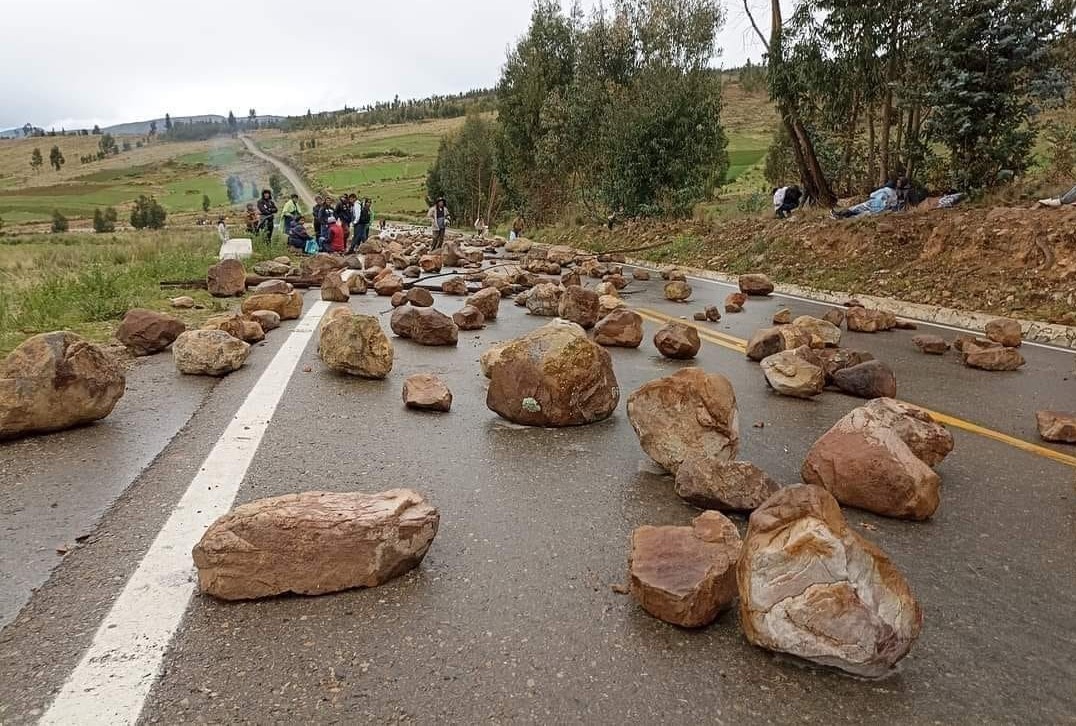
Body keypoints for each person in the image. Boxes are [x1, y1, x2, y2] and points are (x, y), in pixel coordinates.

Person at [831, 180, 898, 219]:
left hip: (871, 204)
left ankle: (838, 214)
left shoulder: (884, 189)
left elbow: (872, 195)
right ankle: (843, 218)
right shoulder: (895, 194)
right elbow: (894, 204)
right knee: (861, 215)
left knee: (854, 208)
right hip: (881, 210)